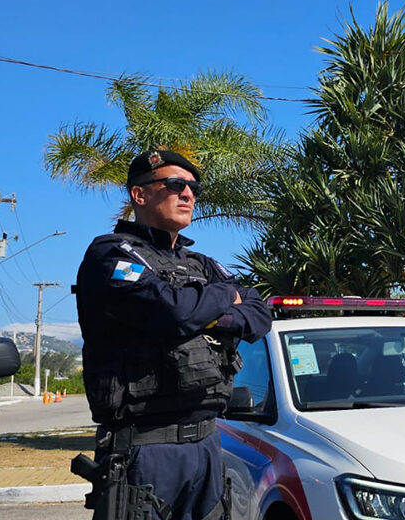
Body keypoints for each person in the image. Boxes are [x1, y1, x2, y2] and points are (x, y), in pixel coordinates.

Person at [74, 149, 272, 520]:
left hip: (207, 445)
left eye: (193, 187)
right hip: (145, 451)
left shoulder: (203, 264)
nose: (188, 195)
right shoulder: (111, 256)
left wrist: (205, 313)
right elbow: (176, 313)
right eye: (177, 185)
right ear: (140, 194)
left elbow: (260, 314)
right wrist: (224, 299)